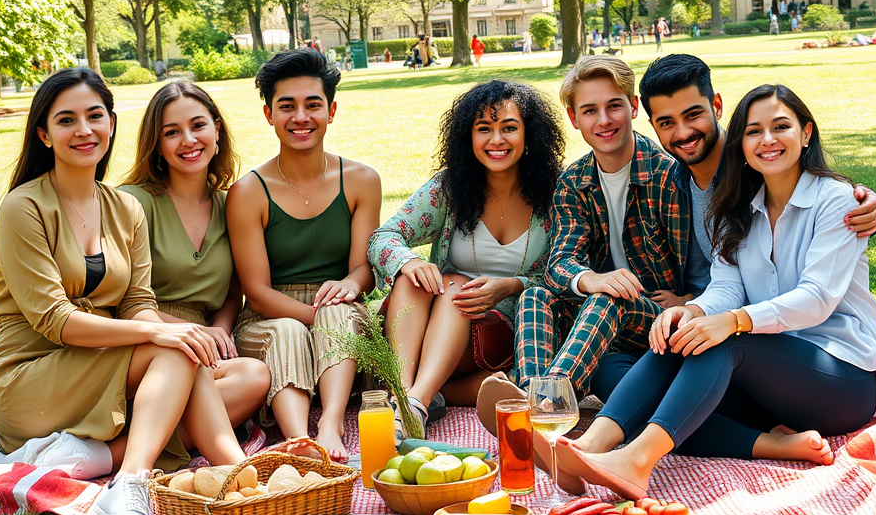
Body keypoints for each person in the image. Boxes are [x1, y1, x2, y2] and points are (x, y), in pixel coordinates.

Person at [555, 84, 876, 498]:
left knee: (721, 343)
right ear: (741, 143)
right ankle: (588, 449)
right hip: (769, 382)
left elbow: (817, 298)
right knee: (636, 362)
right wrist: (693, 313)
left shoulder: (837, 201)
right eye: (754, 132)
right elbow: (727, 286)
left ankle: (637, 460)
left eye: (781, 127)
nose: (767, 140)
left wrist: (730, 323)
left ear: (806, 133)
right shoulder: (739, 208)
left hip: (845, 379)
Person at [0, 68, 247, 515]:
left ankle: (237, 479)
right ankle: (133, 483)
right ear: (44, 134)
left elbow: (139, 301)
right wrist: (157, 333)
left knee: (192, 359)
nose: (84, 130)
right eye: (66, 120)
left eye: (94, 115)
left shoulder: (125, 208)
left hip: (93, 366)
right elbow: (55, 321)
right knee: (175, 350)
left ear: (112, 123)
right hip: (26, 373)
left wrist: (157, 328)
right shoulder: (23, 208)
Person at [475, 56, 688, 431]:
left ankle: (539, 413)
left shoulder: (667, 173)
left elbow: (707, 262)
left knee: (612, 296)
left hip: (658, 320)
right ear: (574, 119)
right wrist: (591, 279)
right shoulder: (575, 181)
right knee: (535, 295)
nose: (603, 120)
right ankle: (538, 402)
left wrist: (689, 301)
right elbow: (559, 263)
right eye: (590, 110)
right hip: (596, 320)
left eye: (614, 106)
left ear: (634, 107)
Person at [368, 80, 565, 436]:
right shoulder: (450, 187)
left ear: (530, 134)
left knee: (457, 289)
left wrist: (512, 285)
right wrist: (408, 262)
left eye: (509, 128)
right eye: (483, 129)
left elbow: (568, 270)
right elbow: (384, 237)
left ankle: (412, 401)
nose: (496, 140)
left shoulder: (555, 192)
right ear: (467, 137)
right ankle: (411, 399)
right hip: (432, 333)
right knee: (421, 278)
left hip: (503, 340)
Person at [226, 49, 382, 461]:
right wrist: (318, 322)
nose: (301, 117)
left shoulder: (361, 180)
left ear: (331, 111)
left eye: (313, 105)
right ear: (268, 114)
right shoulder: (249, 191)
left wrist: (349, 285)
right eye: (286, 107)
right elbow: (256, 292)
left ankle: (331, 423)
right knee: (291, 331)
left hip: (340, 306)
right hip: (269, 317)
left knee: (339, 312)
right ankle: (299, 440)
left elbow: (364, 268)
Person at [118, 81, 273, 432]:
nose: (188, 140)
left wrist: (218, 328)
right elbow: (119, 301)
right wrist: (184, 332)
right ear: (156, 145)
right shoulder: (133, 203)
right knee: (193, 385)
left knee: (253, 376)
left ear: (216, 129)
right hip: (142, 339)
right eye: (172, 132)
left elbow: (234, 291)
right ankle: (120, 450)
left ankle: (117, 447)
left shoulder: (231, 204)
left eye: (198, 125)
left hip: (200, 345)